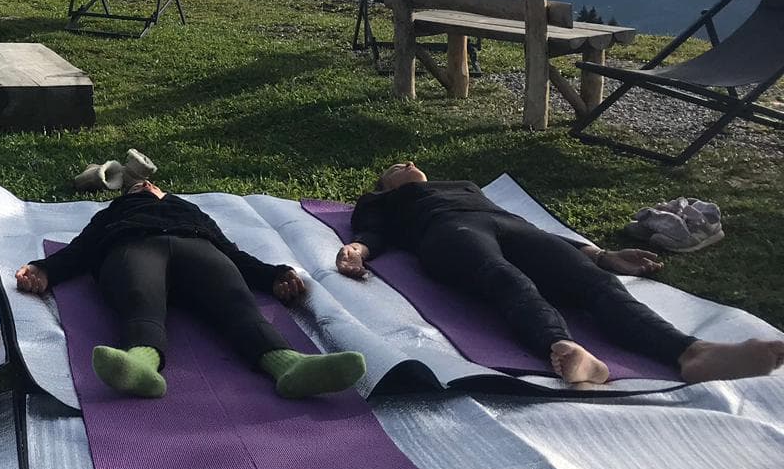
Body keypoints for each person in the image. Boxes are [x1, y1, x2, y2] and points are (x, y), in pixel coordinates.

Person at [335, 162, 784, 385]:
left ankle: (691, 351)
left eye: (408, 162)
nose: (405, 164)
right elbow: (374, 232)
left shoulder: (464, 186)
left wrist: (598, 252)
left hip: (512, 226)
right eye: (393, 167)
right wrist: (357, 248)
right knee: (503, 278)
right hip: (447, 233)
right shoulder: (384, 203)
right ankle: (563, 348)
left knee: (593, 284)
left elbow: (527, 228)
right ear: (384, 184)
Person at [15, 180, 366, 399]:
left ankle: (290, 366)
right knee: (140, 298)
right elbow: (82, 248)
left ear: (165, 193)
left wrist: (273, 275)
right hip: (134, 247)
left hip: (198, 249)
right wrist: (45, 270)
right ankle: (141, 362)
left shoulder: (191, 211)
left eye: (151, 183)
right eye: (137, 185)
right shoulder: (116, 212)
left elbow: (231, 252)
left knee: (235, 301)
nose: (145, 184)